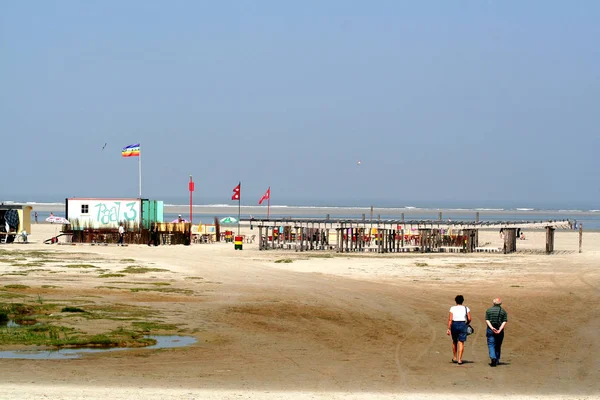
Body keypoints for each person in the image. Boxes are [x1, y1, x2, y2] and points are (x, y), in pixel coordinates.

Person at [447, 295, 471, 365]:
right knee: (461, 342)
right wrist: (467, 324)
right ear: (462, 301)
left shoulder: (452, 308)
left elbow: (450, 319)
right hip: (463, 324)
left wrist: (448, 328)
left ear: (455, 301)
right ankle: (460, 359)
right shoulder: (466, 308)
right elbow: (469, 319)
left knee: (454, 341)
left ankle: (455, 357)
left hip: (454, 324)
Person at [485, 297, 508, 367]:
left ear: (494, 303)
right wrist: (500, 329)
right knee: (498, 345)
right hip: (499, 330)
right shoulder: (503, 311)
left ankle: (493, 358)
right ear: (500, 303)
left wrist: (492, 328)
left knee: (491, 344)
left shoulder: (489, 310)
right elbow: (504, 321)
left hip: (490, 330)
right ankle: (497, 359)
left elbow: (487, 320)